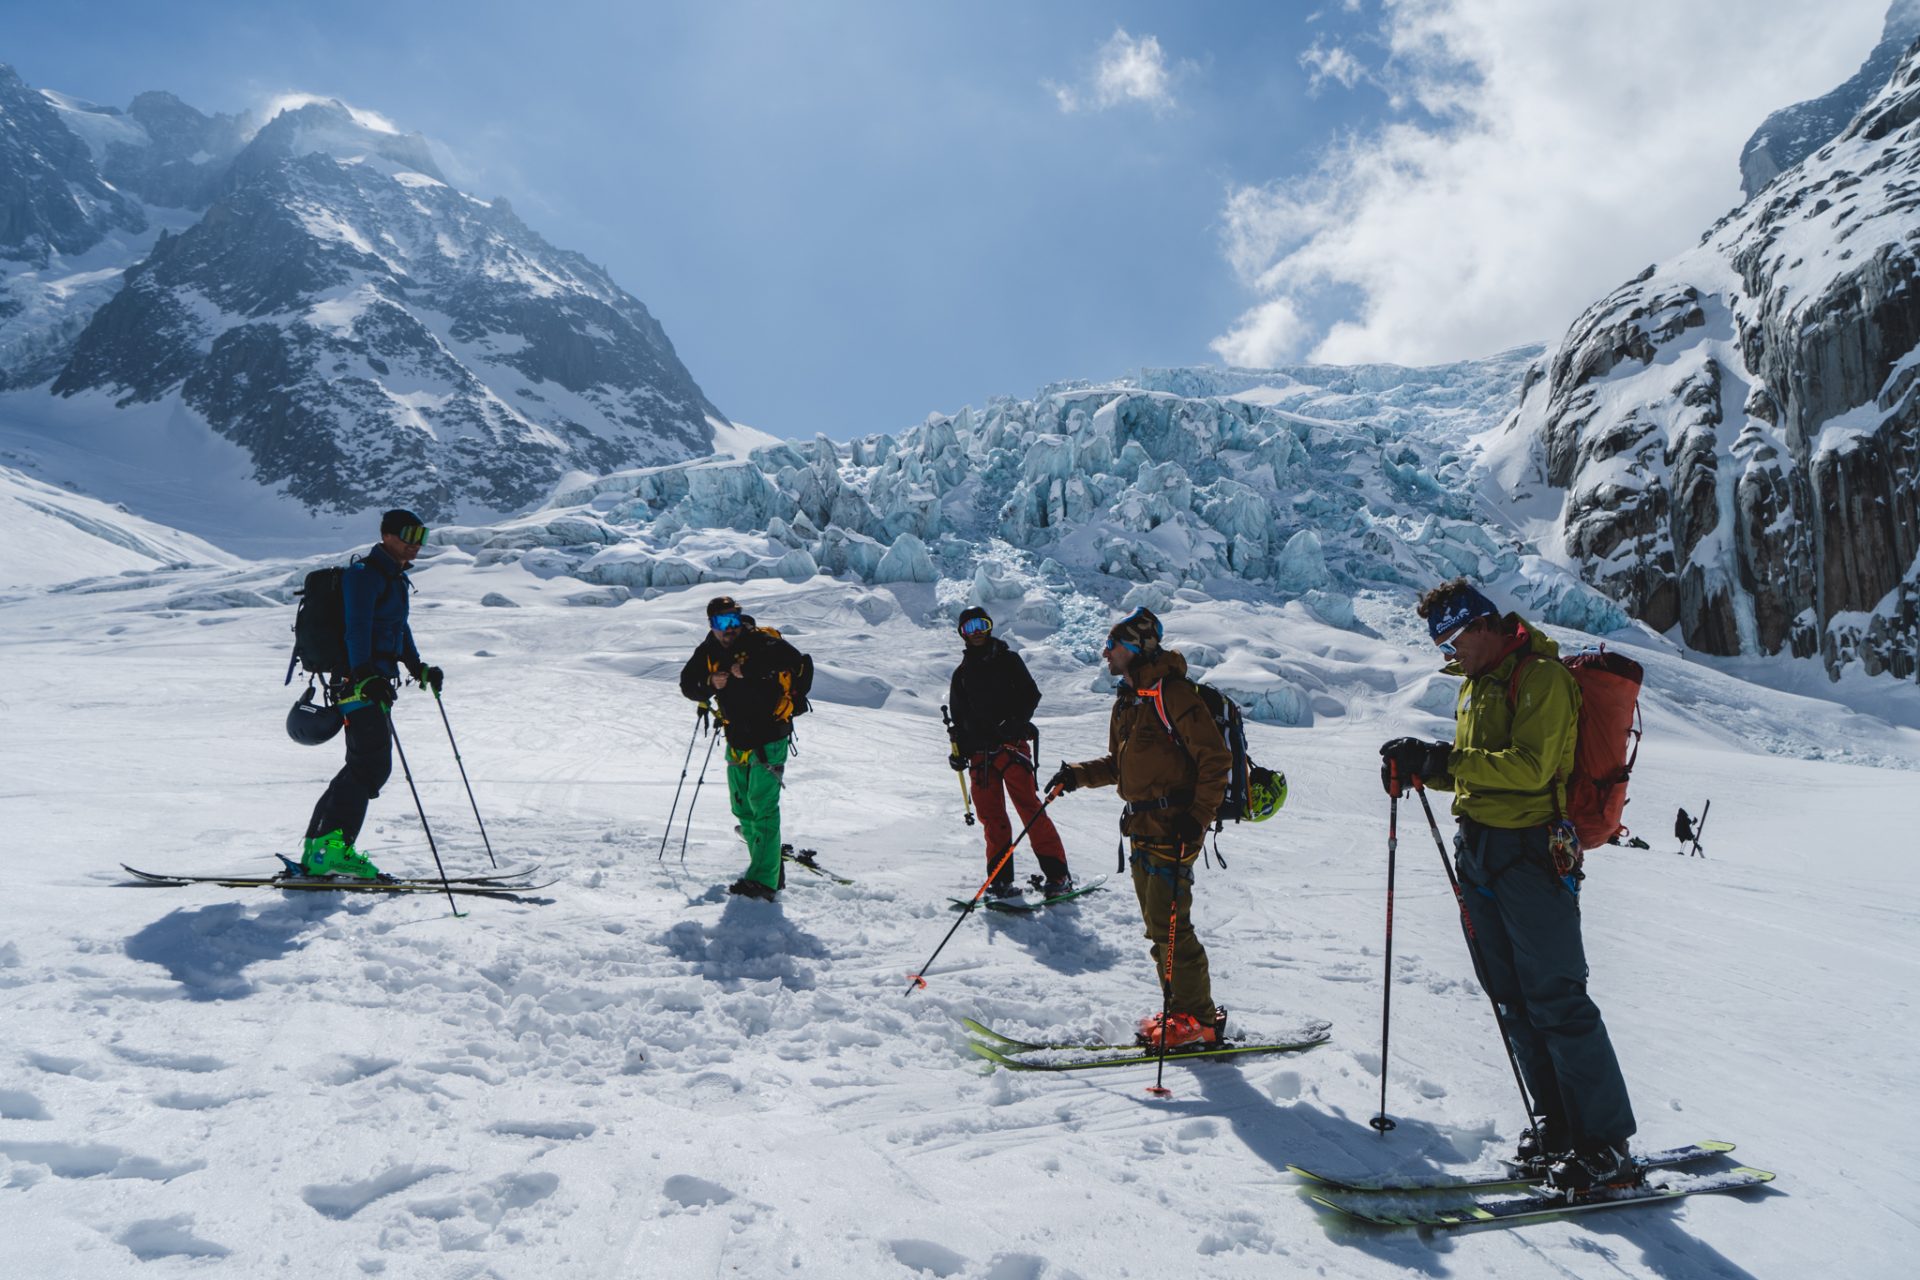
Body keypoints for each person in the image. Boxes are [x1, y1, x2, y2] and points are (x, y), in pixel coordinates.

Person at [1379, 578, 1639, 1192]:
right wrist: (1421, 769)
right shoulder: (1475, 684)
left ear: (1482, 625)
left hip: (1531, 855)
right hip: (1479, 851)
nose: (1449, 654)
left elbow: (1529, 769)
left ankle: (1605, 1145)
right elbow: (1477, 774)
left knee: (1556, 997)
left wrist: (1441, 761)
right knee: (1510, 996)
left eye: (1452, 640)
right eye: (1440, 645)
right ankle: (1556, 1122)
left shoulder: (1541, 679)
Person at [1046, 608, 1230, 1050]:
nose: (1105, 653)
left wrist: (1197, 819)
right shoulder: (1129, 702)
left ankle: (1199, 1021)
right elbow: (1119, 766)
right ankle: (1181, 1008)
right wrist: (1076, 775)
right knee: (1158, 928)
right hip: (1142, 826)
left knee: (1172, 927)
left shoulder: (1174, 694)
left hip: (1174, 828)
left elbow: (1215, 760)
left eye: (1112, 645)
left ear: (1133, 648)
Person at [302, 509, 443, 879]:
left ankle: (319, 851)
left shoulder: (394, 577)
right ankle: (332, 853)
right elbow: (357, 627)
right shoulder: (364, 575)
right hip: (356, 683)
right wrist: (363, 674)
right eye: (409, 535)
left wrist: (418, 667)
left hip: (373, 681)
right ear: (387, 535)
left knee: (361, 765)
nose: (416, 544)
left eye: (421, 537)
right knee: (370, 767)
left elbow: (398, 628)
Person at [678, 596, 810, 901]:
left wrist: (749, 669)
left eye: (734, 620)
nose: (729, 628)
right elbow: (687, 684)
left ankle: (764, 881)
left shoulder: (761, 641)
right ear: (711, 625)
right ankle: (770, 866)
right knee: (743, 808)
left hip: (769, 738)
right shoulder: (709, 650)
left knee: (762, 806)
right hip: (737, 739)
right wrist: (710, 682)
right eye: (721, 622)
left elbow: (795, 659)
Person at [946, 607, 1071, 898]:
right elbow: (959, 720)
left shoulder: (1008, 660)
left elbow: (1030, 695)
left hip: (1011, 747)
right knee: (993, 818)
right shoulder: (961, 674)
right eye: (969, 628)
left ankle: (1058, 876)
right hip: (980, 756)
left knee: (1030, 810)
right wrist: (959, 753)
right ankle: (1000, 881)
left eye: (981, 624)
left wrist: (1013, 723)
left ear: (990, 626)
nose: (977, 632)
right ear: (962, 634)